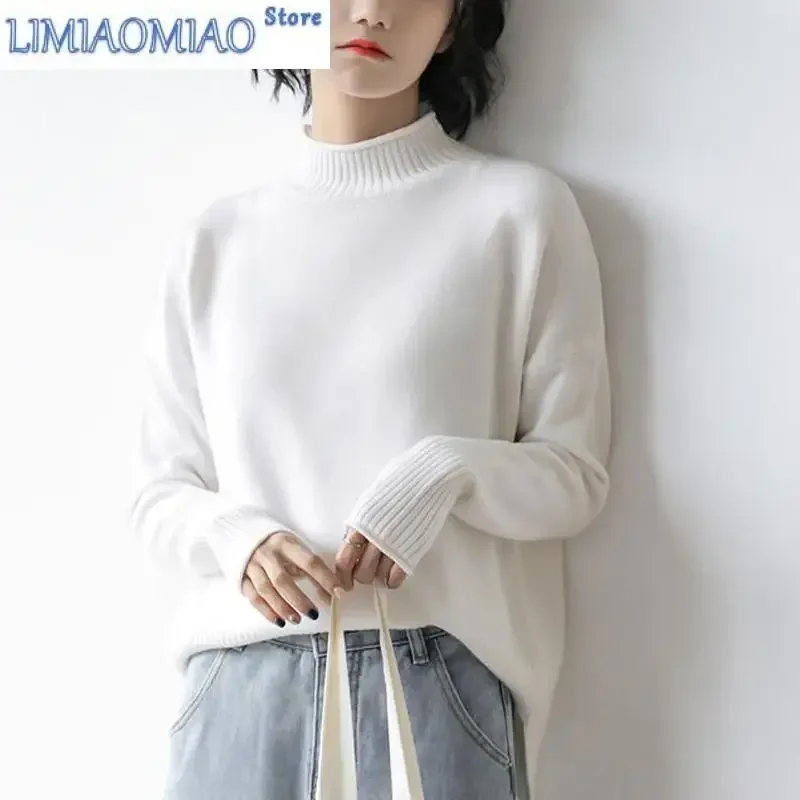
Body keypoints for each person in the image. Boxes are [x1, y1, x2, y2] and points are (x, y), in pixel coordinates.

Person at [127, 0, 612, 797]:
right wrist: (234, 535)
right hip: (241, 688)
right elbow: (159, 491)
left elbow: (575, 476)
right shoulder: (217, 240)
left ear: (453, 24)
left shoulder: (518, 212)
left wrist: (444, 472)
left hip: (438, 680)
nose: (374, 11)